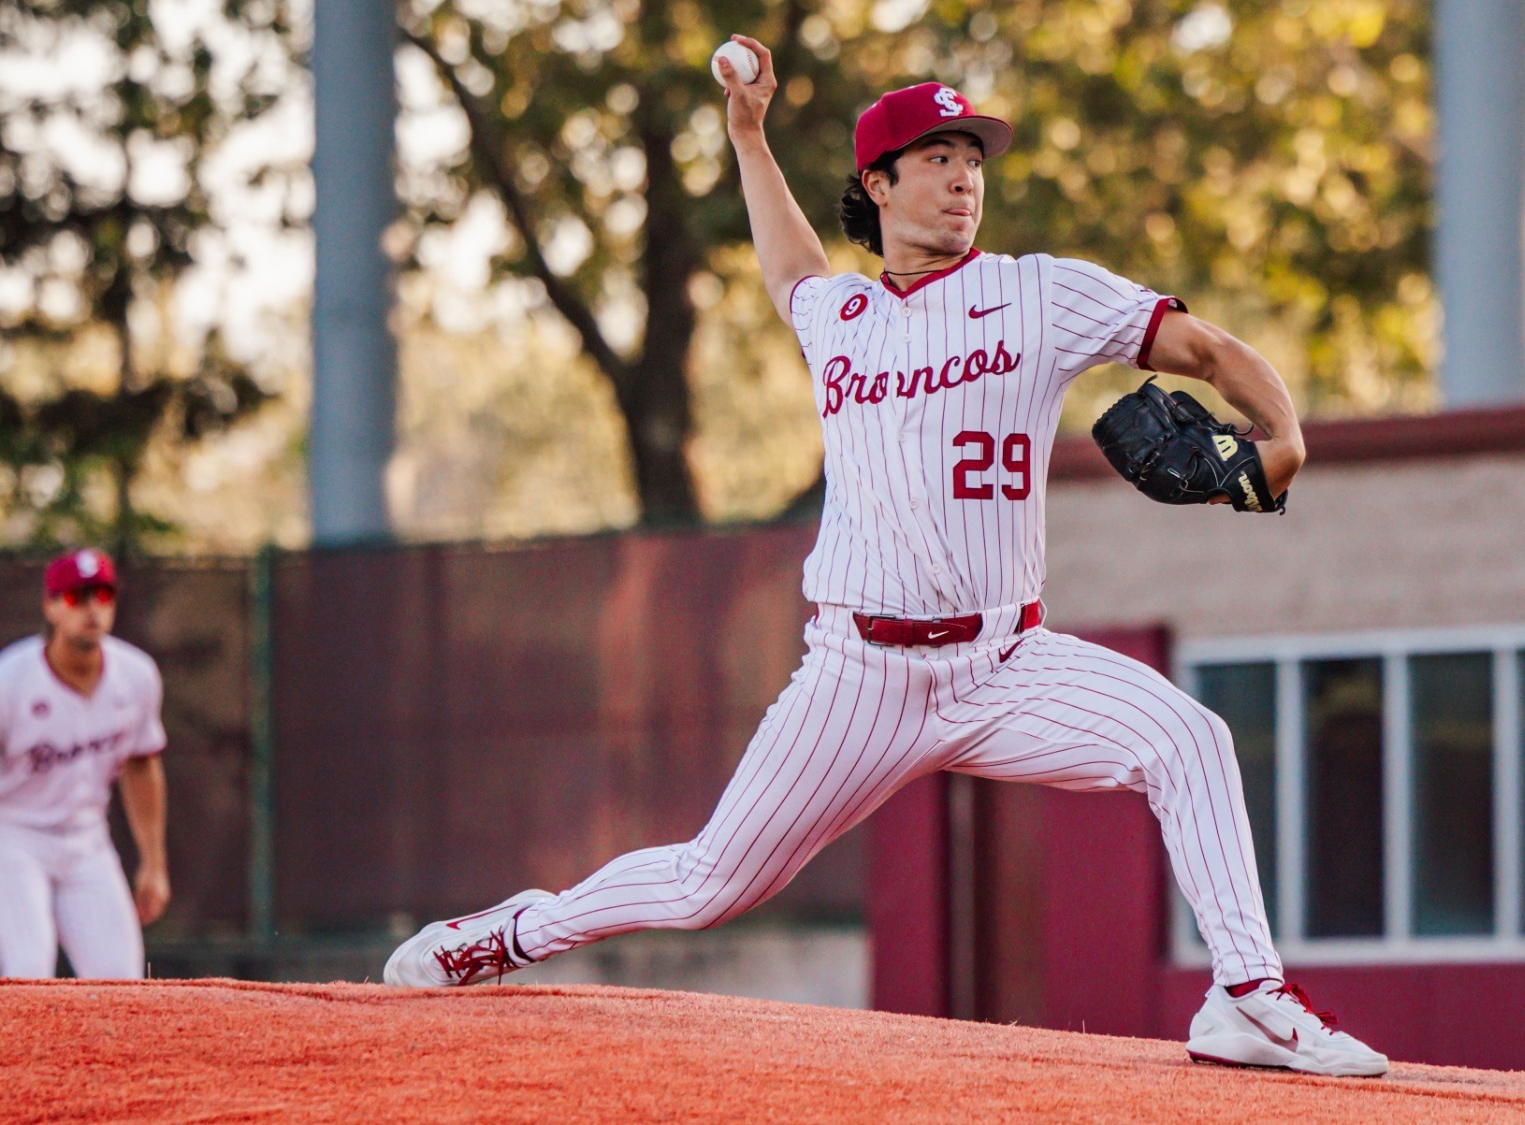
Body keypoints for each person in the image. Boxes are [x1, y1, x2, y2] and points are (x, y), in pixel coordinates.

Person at [385, 38, 1387, 1077]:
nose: (964, 178)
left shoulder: (1038, 293)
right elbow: (786, 266)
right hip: (859, 675)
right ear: (878, 182)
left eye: (973, 159)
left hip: (1006, 664)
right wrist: (745, 133)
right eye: (937, 157)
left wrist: (1284, 436)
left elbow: (1208, 352)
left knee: (1190, 740)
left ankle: (1246, 996)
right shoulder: (839, 317)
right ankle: (502, 937)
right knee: (705, 885)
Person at [0, 548, 171, 979]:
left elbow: (142, 764)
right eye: (76, 597)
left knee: (121, 980)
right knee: (28, 969)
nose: (91, 609)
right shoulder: (6, 681)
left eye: (102, 596)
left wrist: (153, 862)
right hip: (10, 834)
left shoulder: (137, 676)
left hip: (86, 839)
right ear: (50, 606)